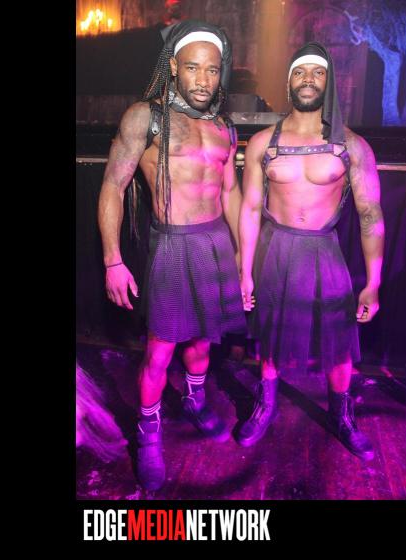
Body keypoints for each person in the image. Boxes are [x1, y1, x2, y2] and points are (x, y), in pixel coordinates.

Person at [97, 20, 247, 491]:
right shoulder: (146, 117)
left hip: (215, 244)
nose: (204, 79)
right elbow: (113, 186)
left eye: (213, 70)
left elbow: (231, 193)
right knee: (160, 351)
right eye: (194, 67)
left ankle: (196, 401)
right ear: (174, 67)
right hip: (173, 245)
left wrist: (243, 258)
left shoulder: (223, 126)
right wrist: (112, 260)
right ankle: (148, 433)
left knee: (203, 342)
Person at [237, 42, 385, 461]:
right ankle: (266, 405)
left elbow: (371, 215)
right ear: (289, 82)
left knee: (339, 339)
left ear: (329, 81)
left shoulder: (351, 145)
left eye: (317, 72)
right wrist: (244, 271)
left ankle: (342, 415)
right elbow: (250, 209)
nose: (308, 79)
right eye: (300, 72)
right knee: (270, 334)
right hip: (276, 248)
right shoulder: (263, 142)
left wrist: (373, 283)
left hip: (324, 250)